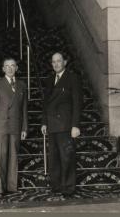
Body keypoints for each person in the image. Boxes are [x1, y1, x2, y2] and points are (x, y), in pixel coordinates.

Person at [41, 52, 82, 197]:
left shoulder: (72, 78)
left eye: (59, 61)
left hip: (66, 125)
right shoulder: (49, 79)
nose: (56, 64)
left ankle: (68, 187)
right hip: (52, 125)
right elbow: (45, 103)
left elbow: (77, 103)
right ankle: (56, 186)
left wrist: (75, 125)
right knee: (54, 158)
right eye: (53, 62)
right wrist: (44, 122)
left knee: (67, 157)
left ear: (65, 62)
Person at [0, 57, 28, 198]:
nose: (10, 68)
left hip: (16, 126)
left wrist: (24, 128)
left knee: (14, 156)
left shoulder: (22, 85)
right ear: (3, 69)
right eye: (7, 66)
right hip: (1, 126)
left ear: (16, 68)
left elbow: (24, 109)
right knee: (1, 156)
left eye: (13, 65)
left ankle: (12, 186)